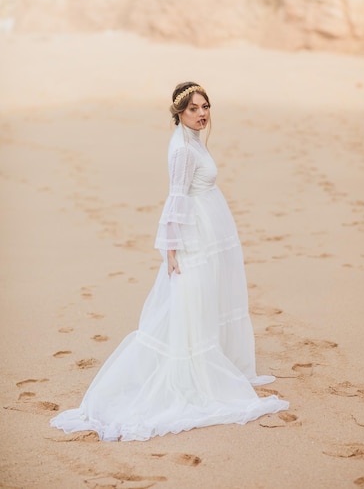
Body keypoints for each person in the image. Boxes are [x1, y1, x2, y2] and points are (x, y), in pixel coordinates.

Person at [50, 82, 289, 441]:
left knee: (204, 300)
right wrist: (172, 250)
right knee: (188, 302)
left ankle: (215, 360)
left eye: (205, 106)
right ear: (179, 113)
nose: (202, 113)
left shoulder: (191, 140)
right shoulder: (183, 151)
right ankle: (192, 373)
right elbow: (175, 198)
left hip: (207, 229)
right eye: (194, 109)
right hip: (195, 236)